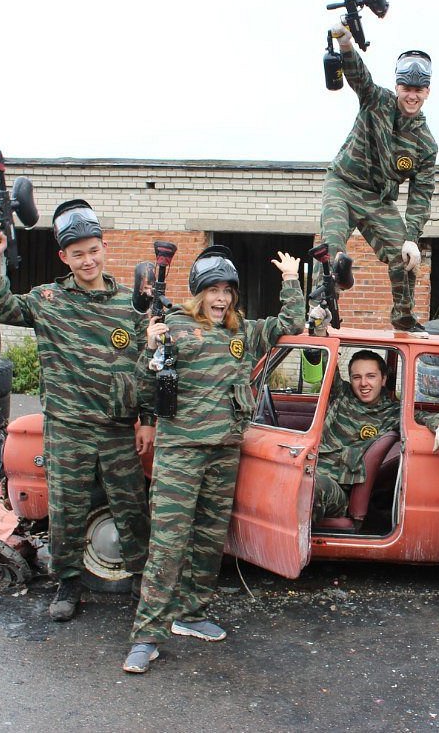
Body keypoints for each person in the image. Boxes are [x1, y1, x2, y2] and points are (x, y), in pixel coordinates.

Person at [124, 246, 304, 674]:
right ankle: (146, 636)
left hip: (224, 451)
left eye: (227, 291)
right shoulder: (176, 329)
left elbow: (290, 324)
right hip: (181, 453)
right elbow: (141, 383)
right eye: (213, 291)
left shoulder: (242, 332)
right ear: (198, 293)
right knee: (168, 546)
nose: (221, 299)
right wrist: (148, 347)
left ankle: (192, 612)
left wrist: (292, 281)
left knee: (208, 541)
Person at [0, 200, 152, 623]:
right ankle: (68, 583)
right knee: (67, 510)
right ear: (64, 257)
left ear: (104, 248)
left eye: (93, 250)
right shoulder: (48, 300)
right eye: (78, 254)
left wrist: (146, 420)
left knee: (130, 507)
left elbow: (146, 365)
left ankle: (138, 578)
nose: (87, 260)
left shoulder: (133, 306)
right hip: (67, 429)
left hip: (116, 429)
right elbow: (4, 309)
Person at [317, 19, 437, 333]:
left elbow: (420, 197)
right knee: (332, 246)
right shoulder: (377, 100)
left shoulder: (425, 143)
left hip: (378, 201)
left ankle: (403, 317)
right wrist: (344, 42)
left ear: (427, 91)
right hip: (342, 184)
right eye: (406, 89)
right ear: (397, 87)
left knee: (406, 259)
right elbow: (359, 77)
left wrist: (411, 237)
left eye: (418, 90)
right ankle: (322, 305)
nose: (411, 96)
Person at [312, 349, 439, 523]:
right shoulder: (340, 394)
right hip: (308, 470)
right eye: (356, 377)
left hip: (335, 491)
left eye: (371, 376)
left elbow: (425, 417)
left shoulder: (392, 413)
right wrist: (320, 329)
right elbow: (321, 359)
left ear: (383, 379)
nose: (363, 383)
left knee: (310, 488)